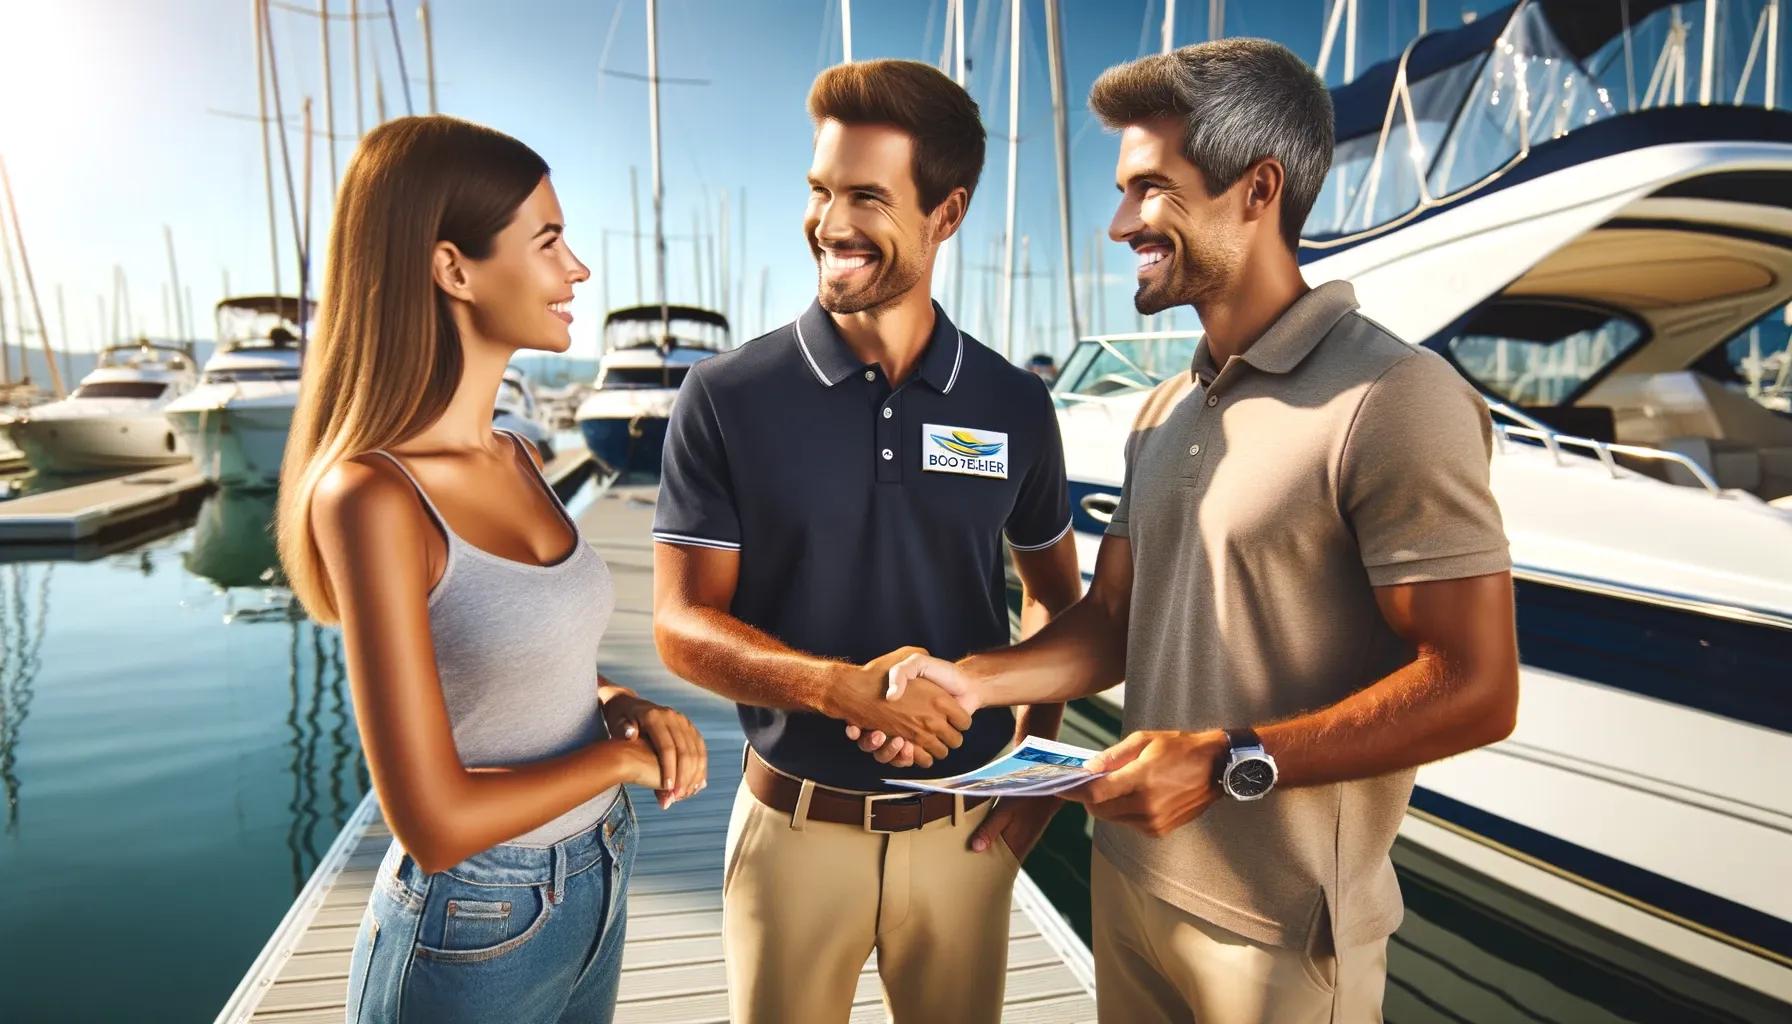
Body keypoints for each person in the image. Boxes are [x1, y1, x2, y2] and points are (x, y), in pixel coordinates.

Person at [876, 40, 1520, 1023]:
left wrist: (1230, 760)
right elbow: (1112, 620)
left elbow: (1478, 687)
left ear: (1257, 189)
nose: (1119, 222)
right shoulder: (1163, 409)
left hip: (1278, 937)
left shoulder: (1394, 398)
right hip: (1128, 884)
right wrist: (973, 678)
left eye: (1149, 189)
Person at [650, 60, 1082, 1024]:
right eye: (820, 191)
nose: (830, 223)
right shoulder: (726, 396)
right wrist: (836, 686)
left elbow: (1060, 600)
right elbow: (681, 625)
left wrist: (1035, 778)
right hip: (793, 833)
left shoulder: (1014, 403)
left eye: (867, 197)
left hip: (968, 839)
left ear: (948, 212)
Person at [275, 115, 708, 1024]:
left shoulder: (517, 455)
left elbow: (510, 651)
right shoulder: (373, 497)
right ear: (453, 269)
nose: (576, 270)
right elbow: (431, 821)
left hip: (597, 872)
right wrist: (618, 759)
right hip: (477, 920)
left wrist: (620, 701)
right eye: (548, 242)